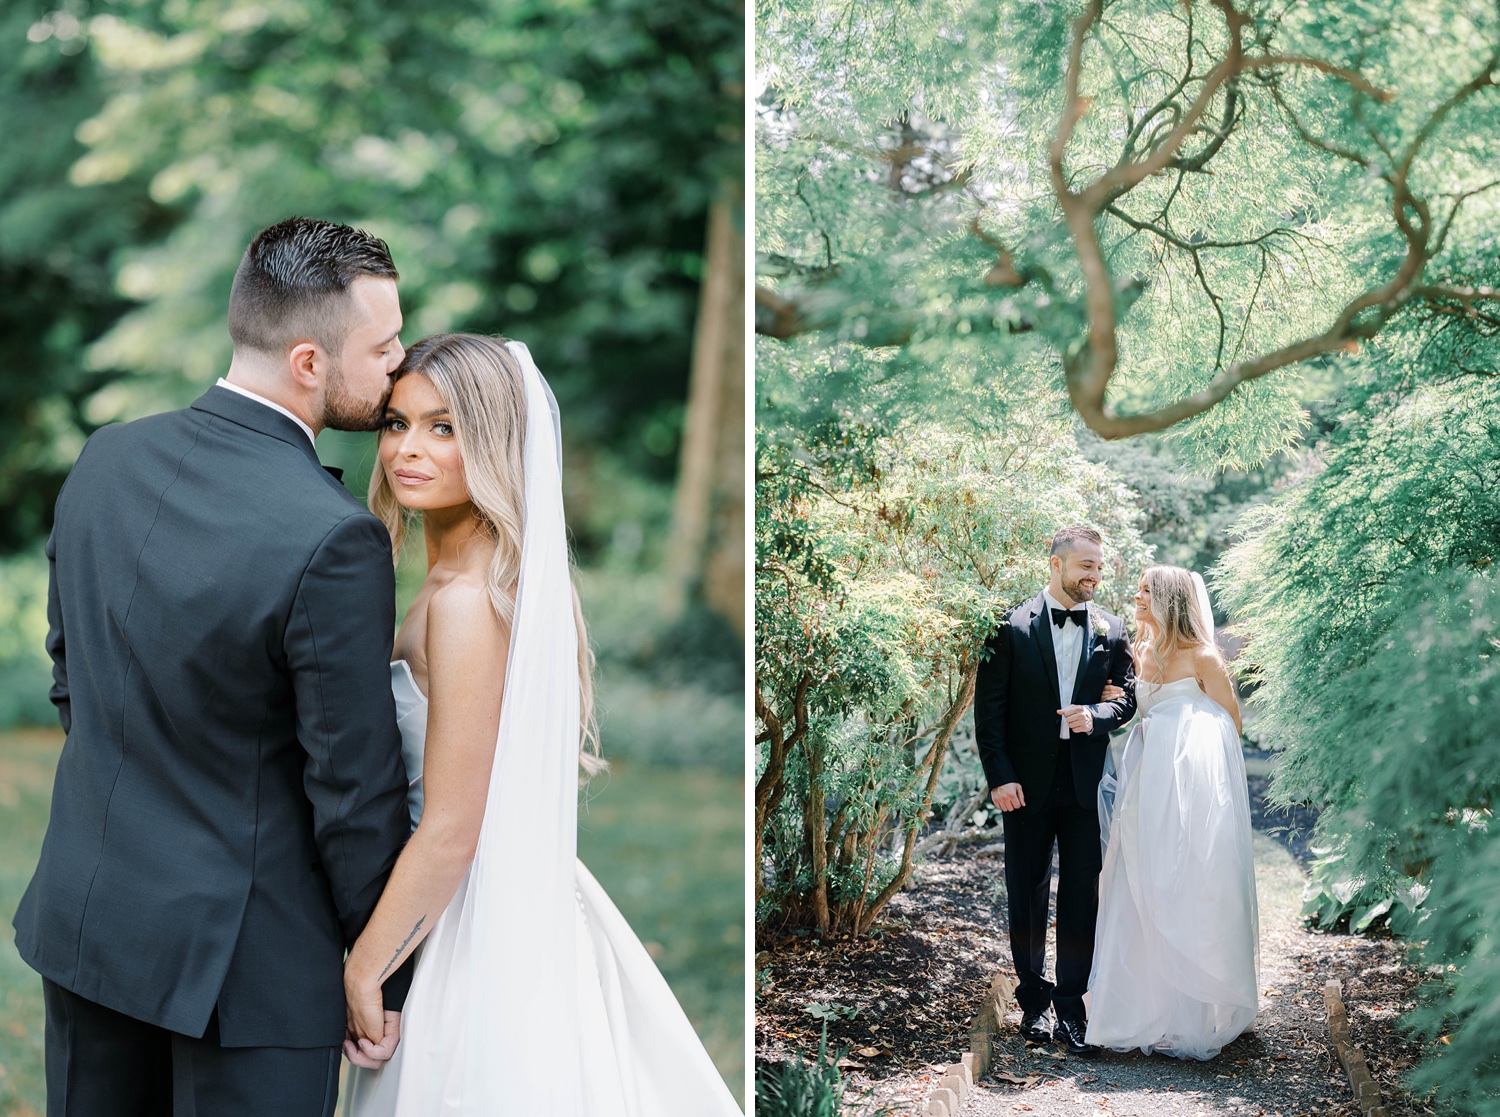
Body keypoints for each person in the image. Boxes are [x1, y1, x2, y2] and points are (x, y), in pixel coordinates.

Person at [13, 217, 415, 1116]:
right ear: (309, 362)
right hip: (253, 973)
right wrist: (385, 964)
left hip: (91, 921)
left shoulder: (105, 457)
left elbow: (71, 673)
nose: (398, 364)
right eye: (383, 347)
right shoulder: (335, 537)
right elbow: (351, 789)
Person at [340, 333, 742, 1115]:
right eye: (397, 423)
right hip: (502, 899)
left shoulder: (463, 603)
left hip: (468, 926)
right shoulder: (471, 578)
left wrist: (364, 968)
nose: (407, 450)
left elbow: (454, 826)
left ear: (493, 442)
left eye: (444, 427)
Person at [973, 526, 1137, 1057]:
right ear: (1056, 564)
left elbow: (1128, 697)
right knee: (1026, 892)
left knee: (1081, 895)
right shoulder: (1010, 625)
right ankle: (1033, 1004)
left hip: (1086, 784)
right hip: (1025, 784)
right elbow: (989, 710)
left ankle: (1071, 1006)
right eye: (1085, 565)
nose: (1094, 576)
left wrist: (1098, 714)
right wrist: (1000, 776)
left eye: (1099, 568)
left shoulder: (1112, 630)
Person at [1085, 565, 1259, 1060]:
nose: (1137, 597)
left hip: (1190, 784)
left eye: (1146, 591)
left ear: (1171, 600)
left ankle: (1195, 1007)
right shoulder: (1138, 651)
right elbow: (1130, 707)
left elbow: (1232, 722)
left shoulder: (1204, 656)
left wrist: (1191, 734)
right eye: (1138, 590)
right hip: (1146, 779)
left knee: (1185, 878)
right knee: (1138, 878)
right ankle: (1138, 1009)